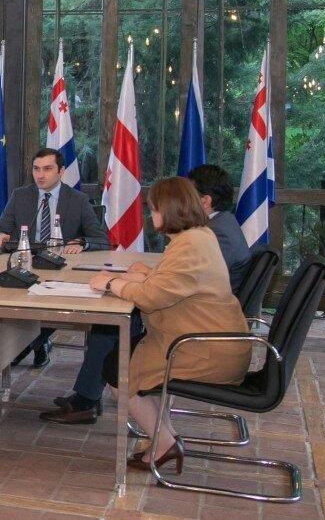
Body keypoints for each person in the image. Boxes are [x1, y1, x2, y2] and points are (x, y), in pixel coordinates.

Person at [88, 177, 251, 472]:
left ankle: (165, 444)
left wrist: (110, 282)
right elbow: (178, 284)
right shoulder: (199, 235)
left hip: (200, 349)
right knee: (120, 359)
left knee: (117, 371)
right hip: (205, 340)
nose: (151, 215)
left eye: (153, 209)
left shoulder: (189, 245)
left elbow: (151, 298)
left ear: (169, 209)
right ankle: (165, 437)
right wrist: (148, 275)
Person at [0, 147, 109, 368]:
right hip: (25, 267)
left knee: (51, 302)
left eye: (47, 169)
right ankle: (35, 342)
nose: (40, 175)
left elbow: (101, 239)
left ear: (61, 171)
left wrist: (82, 243)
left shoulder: (78, 199)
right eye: (36, 169)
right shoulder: (20, 195)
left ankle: (28, 344)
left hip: (60, 272)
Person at [186, 164, 252, 293]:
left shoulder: (217, 234)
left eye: (187, 196)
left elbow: (197, 281)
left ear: (205, 201)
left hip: (207, 303)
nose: (181, 201)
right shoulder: (225, 221)